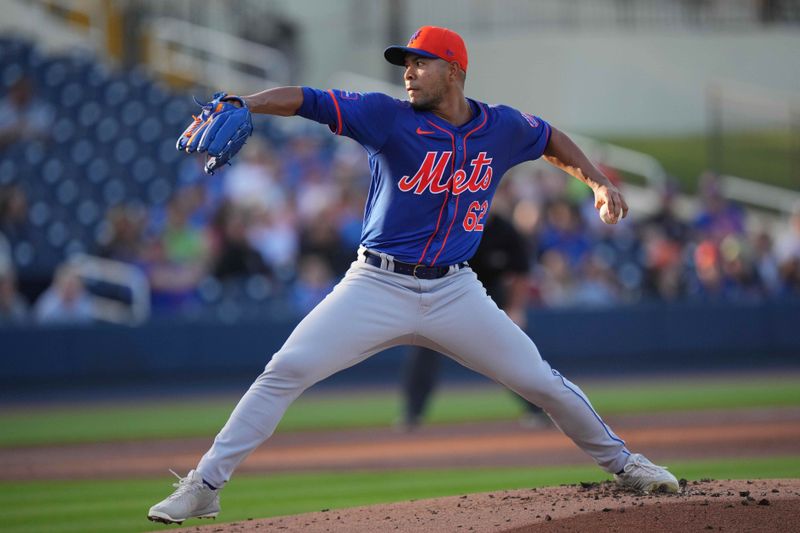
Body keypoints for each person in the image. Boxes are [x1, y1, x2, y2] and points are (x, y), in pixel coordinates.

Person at [148, 25, 679, 525]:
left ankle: (626, 464)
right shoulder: (387, 116)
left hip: (454, 289)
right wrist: (249, 102)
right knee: (284, 371)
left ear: (453, 70)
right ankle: (205, 487)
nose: (407, 72)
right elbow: (307, 99)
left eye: (419, 63)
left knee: (542, 382)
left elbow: (550, 139)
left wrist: (597, 183)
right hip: (376, 284)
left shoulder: (501, 126)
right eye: (405, 64)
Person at [400, 210, 549, 430]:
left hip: (488, 300)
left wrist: (515, 309)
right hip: (445, 298)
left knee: (513, 355)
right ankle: (412, 416)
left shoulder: (503, 230)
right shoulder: (450, 223)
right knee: (423, 353)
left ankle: (538, 410)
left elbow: (521, 272)